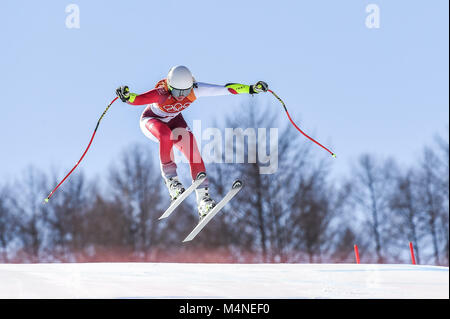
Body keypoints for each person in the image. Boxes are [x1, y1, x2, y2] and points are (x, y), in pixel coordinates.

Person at [116, 65, 268, 220]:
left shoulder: (195, 90)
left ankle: (203, 200)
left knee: (193, 152)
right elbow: (138, 99)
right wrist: (127, 96)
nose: (181, 96)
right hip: (152, 121)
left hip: (174, 120)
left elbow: (226, 89)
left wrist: (251, 89)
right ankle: (172, 182)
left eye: (185, 91)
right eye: (177, 92)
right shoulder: (161, 93)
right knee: (166, 135)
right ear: (169, 86)